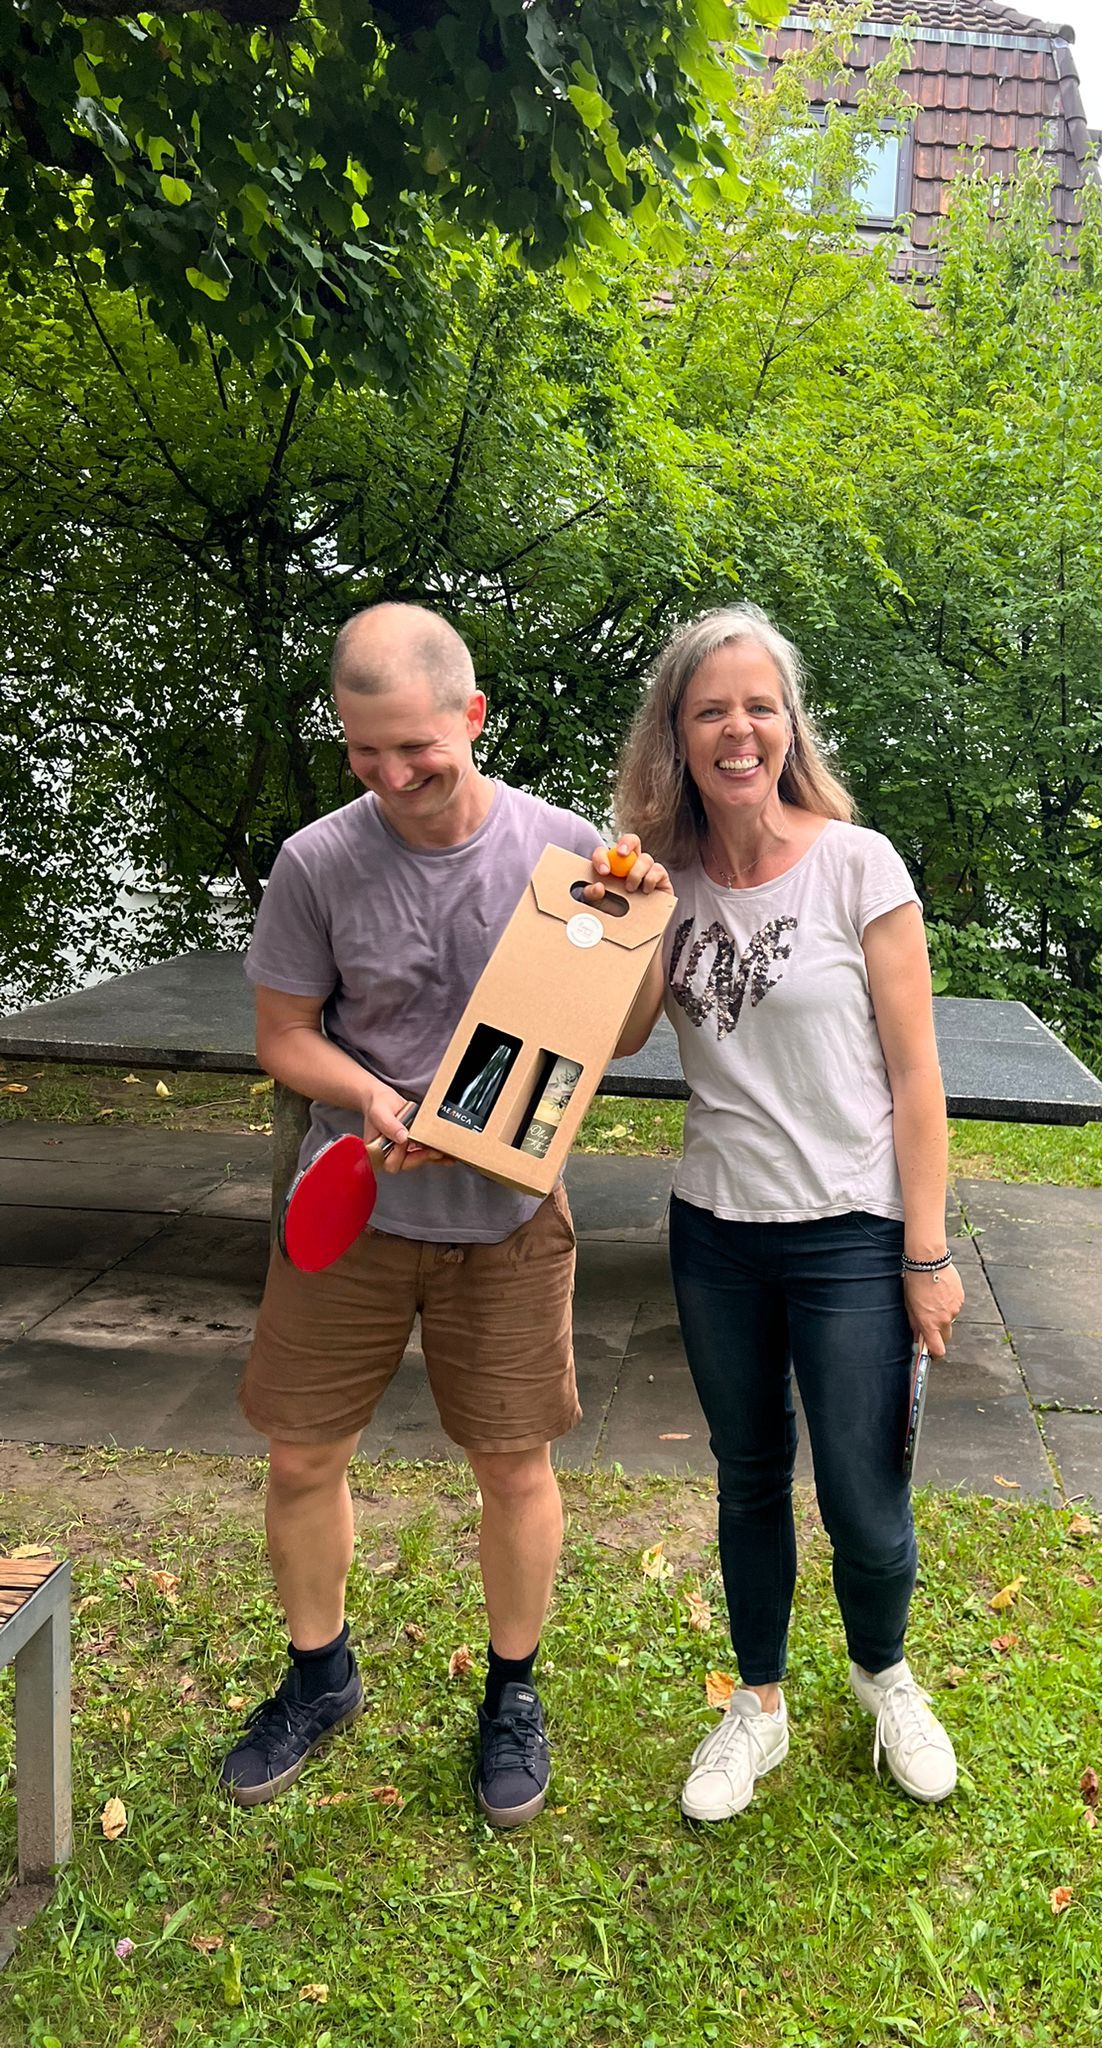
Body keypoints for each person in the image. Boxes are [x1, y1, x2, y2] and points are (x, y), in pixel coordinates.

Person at [222, 602, 669, 1826]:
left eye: (416, 745)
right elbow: (283, 1035)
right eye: (363, 751)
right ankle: (320, 1673)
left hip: (509, 1218)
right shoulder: (317, 860)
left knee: (513, 1465)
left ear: (472, 715)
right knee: (302, 1455)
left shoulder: (565, 848)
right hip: (354, 1211)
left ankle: (512, 1693)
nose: (390, 774)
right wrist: (372, 1095)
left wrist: (646, 926)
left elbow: (619, 1035)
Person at [614, 604, 966, 1822]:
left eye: (759, 705)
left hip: (852, 1230)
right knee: (750, 1474)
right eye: (711, 709)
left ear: (790, 723)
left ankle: (886, 1676)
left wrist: (926, 1249)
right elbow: (618, 1034)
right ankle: (756, 1702)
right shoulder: (666, 884)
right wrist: (627, 914)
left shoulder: (859, 866)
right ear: (678, 733)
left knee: (864, 1494)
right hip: (716, 1230)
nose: (738, 728)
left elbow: (918, 1076)